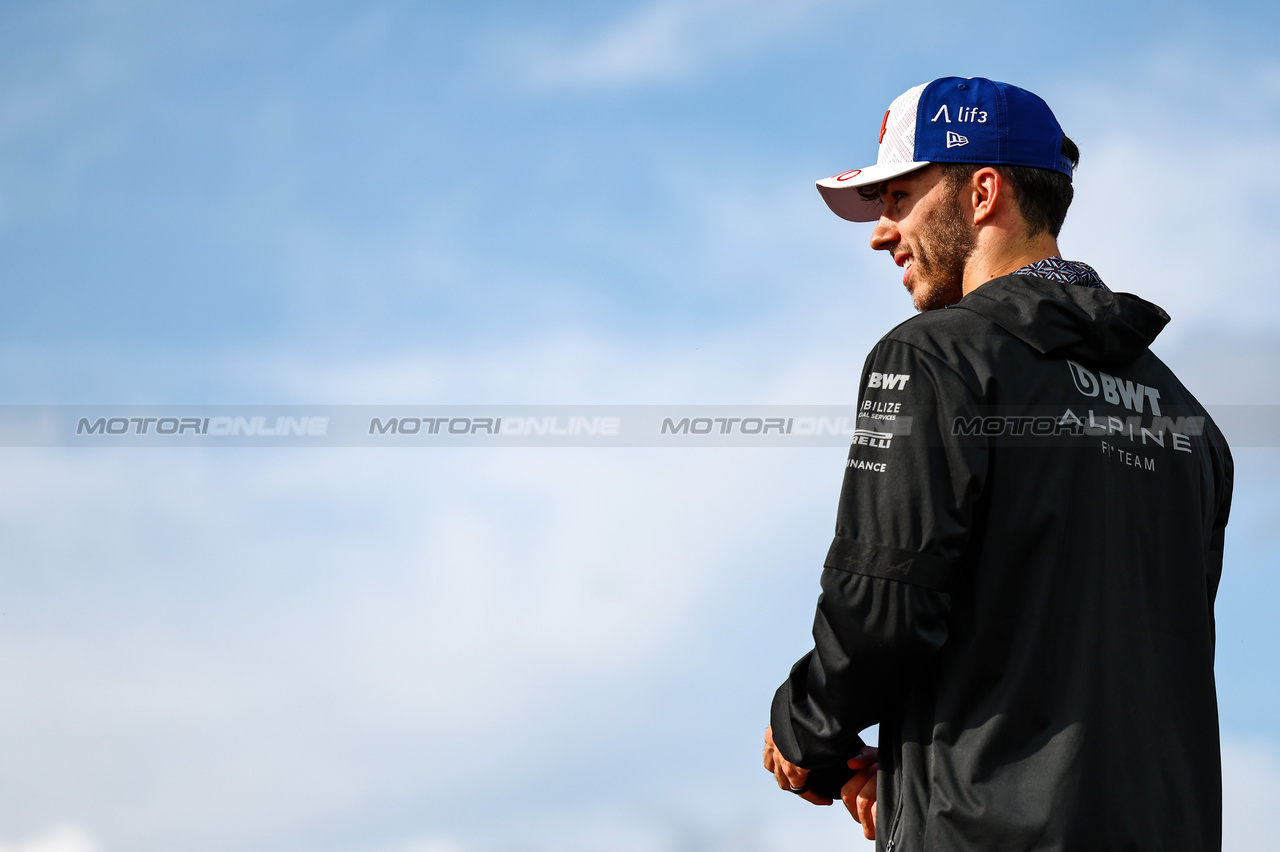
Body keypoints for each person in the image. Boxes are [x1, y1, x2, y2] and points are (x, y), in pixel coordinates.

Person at [761, 77, 1234, 851]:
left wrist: (806, 731)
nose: (881, 233)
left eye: (898, 197)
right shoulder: (1192, 423)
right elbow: (1110, 649)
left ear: (981, 193)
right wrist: (911, 781)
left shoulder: (930, 359)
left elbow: (884, 610)